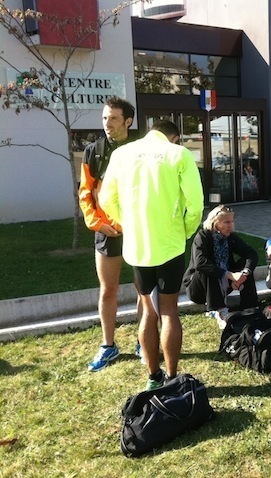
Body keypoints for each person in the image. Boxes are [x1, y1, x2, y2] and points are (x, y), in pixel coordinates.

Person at [99, 119, 204, 390]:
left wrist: (127, 222)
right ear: (174, 137)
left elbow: (106, 199)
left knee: (148, 310)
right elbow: (195, 204)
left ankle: (153, 376)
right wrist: (185, 231)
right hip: (170, 244)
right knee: (169, 310)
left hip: (137, 245)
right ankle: (171, 376)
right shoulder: (179, 154)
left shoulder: (121, 154)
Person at [78, 96, 141, 372]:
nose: (107, 123)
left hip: (138, 230)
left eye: (113, 118)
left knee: (144, 290)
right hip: (106, 231)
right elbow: (85, 192)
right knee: (108, 290)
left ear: (128, 121)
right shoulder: (94, 150)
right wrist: (96, 223)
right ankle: (108, 345)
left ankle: (144, 339)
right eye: (104, 118)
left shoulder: (141, 148)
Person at [183, 205, 259, 330]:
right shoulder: (203, 237)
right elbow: (200, 262)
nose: (231, 225)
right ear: (215, 223)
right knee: (205, 266)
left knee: (245, 264)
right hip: (199, 289)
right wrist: (230, 275)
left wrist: (244, 274)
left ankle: (250, 307)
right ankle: (220, 311)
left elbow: (251, 254)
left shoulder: (230, 237)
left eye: (232, 222)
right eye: (226, 222)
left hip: (225, 283)